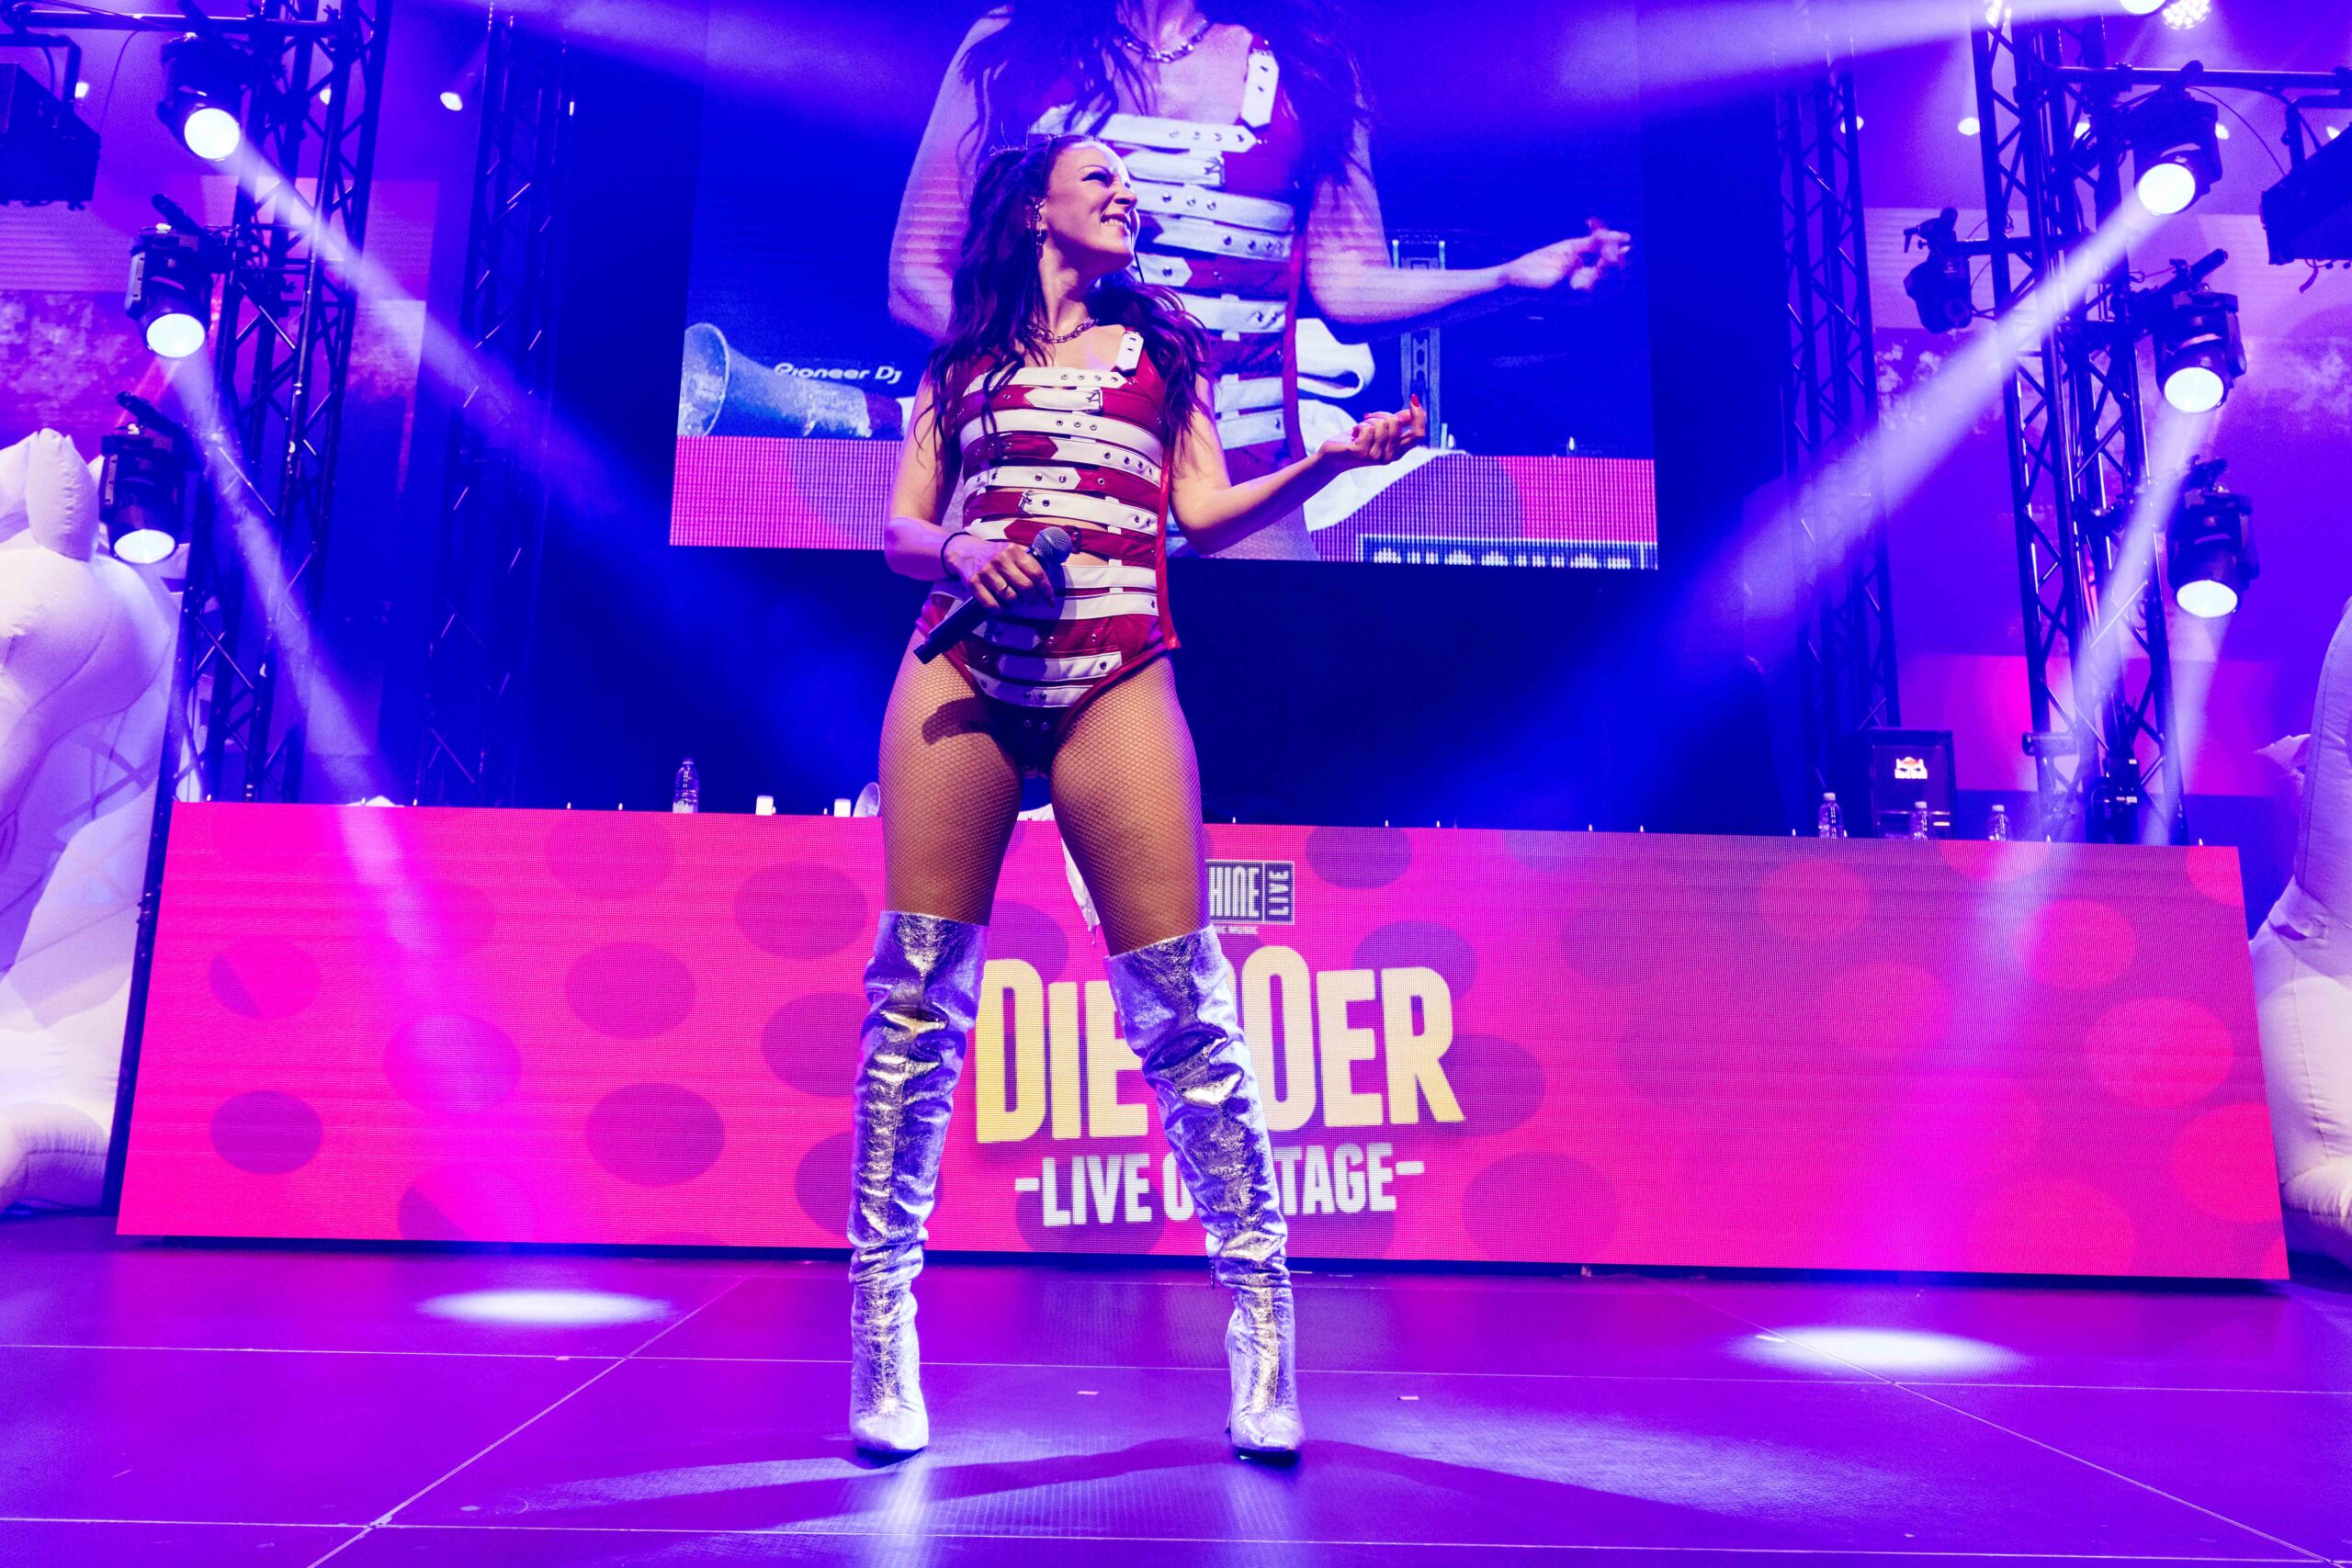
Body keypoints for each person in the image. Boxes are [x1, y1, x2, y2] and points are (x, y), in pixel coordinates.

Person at [847, 131, 1424, 1460]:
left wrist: (1330, 463)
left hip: (1115, 669)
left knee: (1185, 1009)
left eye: (1129, 181)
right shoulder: (959, 363)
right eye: (1100, 177)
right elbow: (899, 530)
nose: (1126, 194)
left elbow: (1204, 516)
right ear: (1034, 208)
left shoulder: (1164, 349)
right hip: (960, 674)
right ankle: (882, 1331)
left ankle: (1262, 1326)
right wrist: (961, 543)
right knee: (914, 1003)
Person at [889, 0, 1629, 558]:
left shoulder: (1309, 67)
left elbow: (1349, 283)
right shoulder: (1013, 45)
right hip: (1034, 467)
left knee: (1267, 703)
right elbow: (916, 273)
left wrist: (1507, 278)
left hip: (1246, 484)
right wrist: (1055, 376)